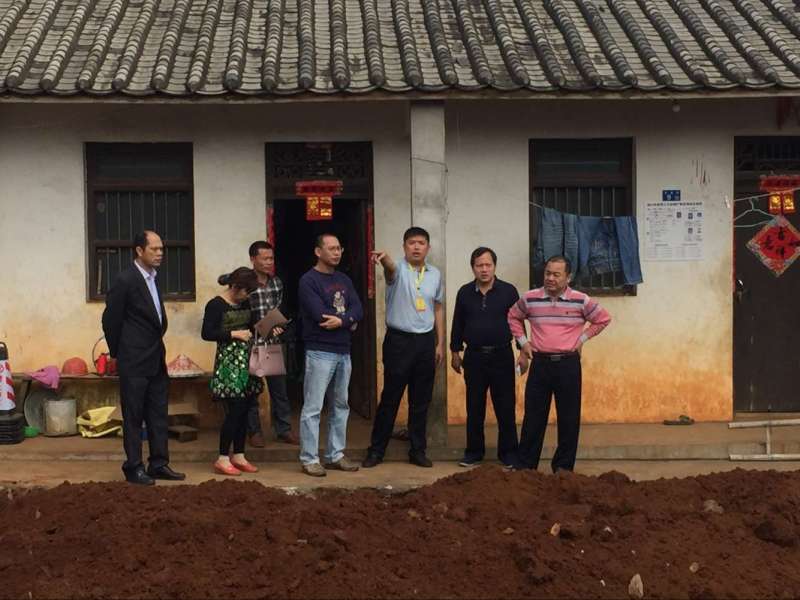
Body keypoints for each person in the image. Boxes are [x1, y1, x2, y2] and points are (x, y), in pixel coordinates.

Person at [507, 255, 611, 473]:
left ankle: (563, 469)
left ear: (568, 277)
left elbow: (603, 319)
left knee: (569, 418)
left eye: (556, 274)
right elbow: (513, 316)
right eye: (547, 273)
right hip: (540, 364)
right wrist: (523, 342)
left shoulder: (581, 300)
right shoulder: (530, 298)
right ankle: (526, 467)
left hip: (568, 365)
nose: (550, 278)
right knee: (533, 417)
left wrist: (581, 339)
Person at [102, 230, 185, 485]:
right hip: (134, 359)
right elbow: (110, 320)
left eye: (161, 249)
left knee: (158, 413)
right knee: (134, 415)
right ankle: (134, 466)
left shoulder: (153, 278)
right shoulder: (126, 279)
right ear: (139, 251)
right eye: (154, 249)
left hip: (155, 357)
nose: (160, 253)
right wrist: (119, 352)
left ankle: (158, 463)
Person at [363, 226, 444, 469]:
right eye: (411, 243)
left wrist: (440, 342)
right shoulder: (397, 269)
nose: (416, 247)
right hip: (399, 342)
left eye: (421, 243)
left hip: (426, 342)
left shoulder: (435, 274)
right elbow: (389, 269)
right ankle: (376, 451)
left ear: (428, 247)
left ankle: (417, 451)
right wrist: (385, 259)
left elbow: (437, 307)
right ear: (404, 247)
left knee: (421, 400)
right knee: (391, 398)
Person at [297, 233, 363, 477]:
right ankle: (309, 458)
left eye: (339, 248)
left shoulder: (344, 279)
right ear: (318, 252)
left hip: (344, 351)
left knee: (341, 405)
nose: (337, 253)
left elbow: (359, 309)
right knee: (313, 407)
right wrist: (350, 321)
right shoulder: (308, 281)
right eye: (332, 248)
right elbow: (320, 315)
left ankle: (335, 455)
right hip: (319, 351)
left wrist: (344, 320)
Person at [450, 247, 520, 467]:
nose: (484, 269)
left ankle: (509, 454)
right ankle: (473, 453)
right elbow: (458, 323)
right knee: (474, 407)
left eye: (488, 265)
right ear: (473, 268)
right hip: (474, 357)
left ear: (495, 266)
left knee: (505, 406)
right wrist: (455, 351)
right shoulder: (464, 292)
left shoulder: (509, 291)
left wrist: (523, 351)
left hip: (502, 355)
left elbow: (518, 322)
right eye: (479, 265)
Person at [202, 267, 263, 476]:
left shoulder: (245, 303)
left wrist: (269, 327)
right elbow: (207, 333)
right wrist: (233, 334)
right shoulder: (216, 305)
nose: (247, 296)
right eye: (246, 291)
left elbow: (253, 327)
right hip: (228, 363)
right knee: (234, 411)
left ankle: (239, 454)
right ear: (235, 287)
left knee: (245, 409)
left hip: (247, 360)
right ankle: (222, 457)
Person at [246, 241, 299, 447]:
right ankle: (254, 432)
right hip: (251, 344)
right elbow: (241, 312)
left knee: (279, 390)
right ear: (253, 259)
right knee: (252, 391)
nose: (269, 262)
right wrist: (262, 328)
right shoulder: (245, 282)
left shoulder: (276, 283)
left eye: (271, 258)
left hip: (271, 343)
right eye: (265, 258)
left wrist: (277, 326)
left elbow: (280, 310)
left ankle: (283, 429)